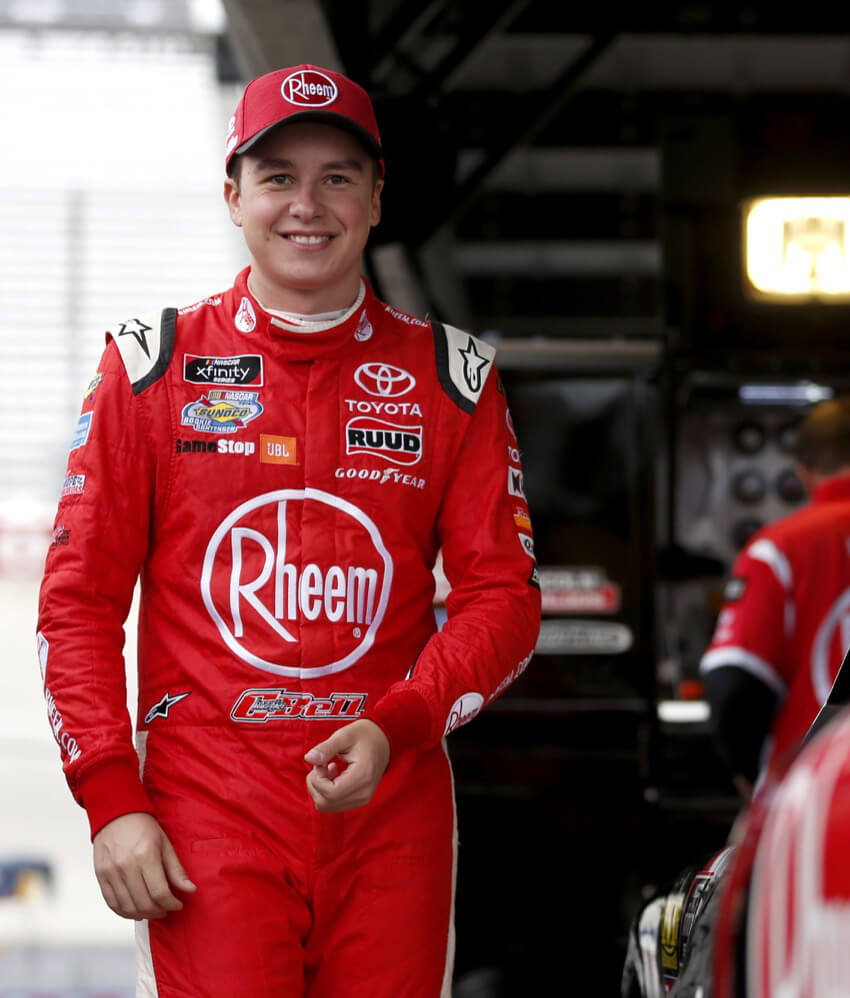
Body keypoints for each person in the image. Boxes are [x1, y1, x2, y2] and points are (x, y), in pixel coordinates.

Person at [35, 64, 541, 996]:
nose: (307, 205)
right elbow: (76, 604)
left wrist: (399, 723)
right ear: (233, 195)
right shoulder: (150, 370)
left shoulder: (452, 379)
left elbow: (503, 599)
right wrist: (111, 800)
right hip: (209, 810)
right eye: (277, 177)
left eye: (338, 177)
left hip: (392, 806)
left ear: (378, 197)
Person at [699, 395, 850, 795]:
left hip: (812, 794)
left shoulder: (779, 547)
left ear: (804, 475)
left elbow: (733, 683)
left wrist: (750, 778)